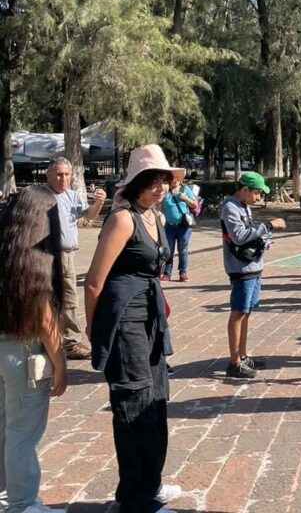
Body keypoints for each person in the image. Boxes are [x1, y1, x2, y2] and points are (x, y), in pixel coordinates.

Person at [84, 145, 183, 513]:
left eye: (165, 181)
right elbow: (94, 281)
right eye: (155, 180)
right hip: (123, 318)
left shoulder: (153, 216)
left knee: (155, 399)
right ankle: (134, 498)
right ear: (138, 181)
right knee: (133, 402)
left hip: (149, 317)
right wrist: (96, 333)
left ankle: (150, 483)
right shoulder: (122, 218)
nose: (162, 187)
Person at [0, 187, 68, 513]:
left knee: (5, 429)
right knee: (23, 434)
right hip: (23, 354)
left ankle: (4, 496)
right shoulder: (34, 259)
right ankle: (24, 504)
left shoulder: (5, 250)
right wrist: (61, 362)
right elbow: (45, 317)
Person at [220, 171, 286, 378]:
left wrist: (263, 239)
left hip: (253, 266)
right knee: (238, 312)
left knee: (246, 312)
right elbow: (238, 237)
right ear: (244, 190)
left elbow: (248, 233)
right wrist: (268, 224)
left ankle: (242, 355)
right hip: (241, 269)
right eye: (257, 193)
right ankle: (234, 362)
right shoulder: (230, 207)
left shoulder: (243, 206)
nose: (259, 197)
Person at [44, 157, 106, 360]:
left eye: (67, 174)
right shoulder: (41, 195)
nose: (63, 178)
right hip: (47, 254)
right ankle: (68, 341)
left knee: (66, 298)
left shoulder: (72, 195)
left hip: (68, 254)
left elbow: (88, 216)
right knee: (59, 297)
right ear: (49, 174)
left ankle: (65, 340)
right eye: (59, 174)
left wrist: (99, 202)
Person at [160, 176, 198, 282]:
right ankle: (167, 273)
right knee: (169, 250)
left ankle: (183, 272)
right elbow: (159, 206)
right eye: (171, 179)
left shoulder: (185, 190)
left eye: (175, 179)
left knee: (183, 249)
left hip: (183, 226)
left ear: (180, 180)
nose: (173, 181)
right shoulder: (166, 191)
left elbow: (195, 204)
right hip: (169, 226)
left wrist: (185, 198)